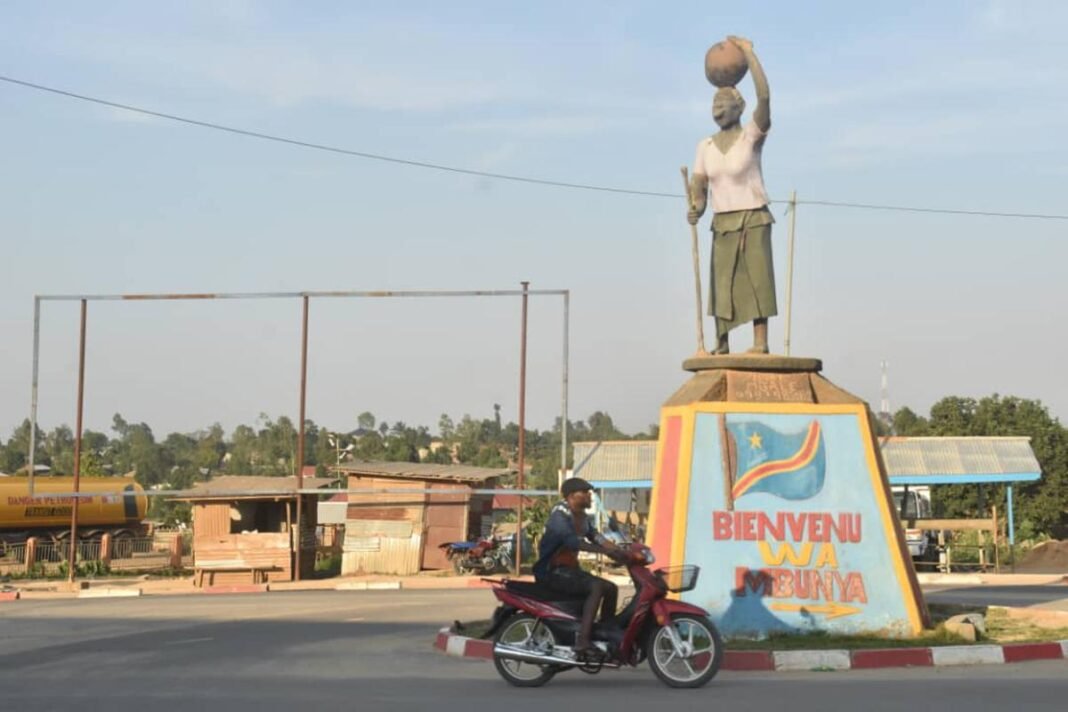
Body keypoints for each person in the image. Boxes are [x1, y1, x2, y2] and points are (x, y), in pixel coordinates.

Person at [688, 35, 776, 355]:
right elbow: (699, 190)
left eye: (724, 104)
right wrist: (696, 208)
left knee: (757, 280)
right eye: (714, 104)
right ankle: (721, 343)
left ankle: (760, 342)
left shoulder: (751, 137)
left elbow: (764, 97)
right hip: (722, 222)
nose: (718, 108)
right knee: (721, 283)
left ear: (739, 107)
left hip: (753, 216)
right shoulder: (705, 147)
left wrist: (750, 55)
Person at [533, 477, 628, 656]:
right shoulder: (560, 514)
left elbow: (594, 536)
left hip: (569, 570)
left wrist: (620, 550)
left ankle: (604, 633)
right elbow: (572, 542)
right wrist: (606, 551)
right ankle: (583, 641)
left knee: (611, 588)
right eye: (584, 493)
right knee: (597, 586)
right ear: (571, 496)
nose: (589, 496)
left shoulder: (581, 516)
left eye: (589, 492)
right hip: (553, 571)